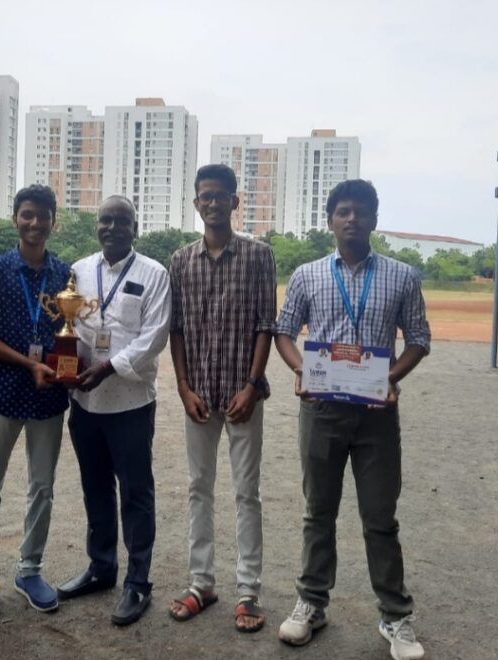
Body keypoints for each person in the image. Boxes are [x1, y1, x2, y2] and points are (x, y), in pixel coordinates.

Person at [273, 179, 430, 660]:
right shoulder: (307, 275)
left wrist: (390, 378)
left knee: (380, 518)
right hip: (321, 411)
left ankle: (395, 617)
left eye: (361, 212)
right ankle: (312, 604)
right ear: (329, 220)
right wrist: (302, 370)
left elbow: (419, 339)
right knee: (317, 512)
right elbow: (283, 333)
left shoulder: (403, 276)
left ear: (374, 219)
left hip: (376, 415)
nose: (351, 219)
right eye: (342, 211)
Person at [167, 164, 277, 633]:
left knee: (246, 493)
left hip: (242, 395)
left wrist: (252, 386)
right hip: (199, 397)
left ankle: (248, 590)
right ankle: (202, 583)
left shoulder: (258, 256)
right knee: (198, 489)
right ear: (195, 204)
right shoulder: (181, 260)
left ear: (236, 201)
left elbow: (264, 325)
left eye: (220, 195)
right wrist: (184, 387)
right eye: (203, 196)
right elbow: (176, 329)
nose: (211, 203)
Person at [57, 195, 171, 626]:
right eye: (105, 221)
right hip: (85, 402)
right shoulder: (80, 271)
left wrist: (107, 367)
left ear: (135, 228)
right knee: (96, 488)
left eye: (122, 222)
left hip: (130, 403)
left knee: (136, 494)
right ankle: (101, 567)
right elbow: (74, 329)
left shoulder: (154, 274)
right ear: (97, 227)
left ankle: (138, 582)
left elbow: (154, 336)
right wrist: (68, 366)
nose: (112, 228)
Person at [0, 184, 70, 623]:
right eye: (26, 214)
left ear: (52, 221)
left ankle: (29, 570)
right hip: (4, 391)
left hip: (49, 395)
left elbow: (71, 333)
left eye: (42, 216)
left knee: (42, 487)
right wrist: (25, 364)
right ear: (15, 218)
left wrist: (66, 369)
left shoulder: (65, 276)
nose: (34, 223)